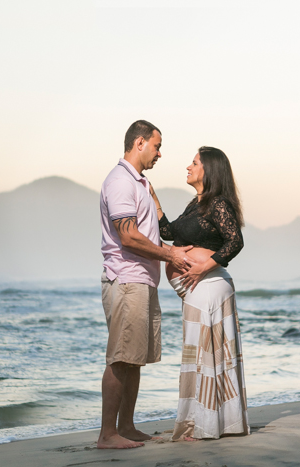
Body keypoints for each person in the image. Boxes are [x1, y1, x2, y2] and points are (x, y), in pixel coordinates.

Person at [98, 120, 195, 449]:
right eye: (157, 145)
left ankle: (125, 426)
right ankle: (107, 435)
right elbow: (128, 236)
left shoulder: (139, 182)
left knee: (134, 358)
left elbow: (155, 230)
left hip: (141, 281)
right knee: (120, 358)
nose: (160, 153)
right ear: (139, 143)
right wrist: (170, 255)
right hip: (126, 280)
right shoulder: (120, 181)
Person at [150, 146, 249, 441]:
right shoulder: (196, 204)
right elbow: (168, 232)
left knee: (206, 357)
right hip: (198, 289)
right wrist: (153, 199)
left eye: (194, 163)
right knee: (200, 355)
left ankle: (202, 425)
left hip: (210, 286)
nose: (188, 167)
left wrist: (204, 266)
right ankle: (211, 422)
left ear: (209, 170)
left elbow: (235, 241)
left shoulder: (218, 203)